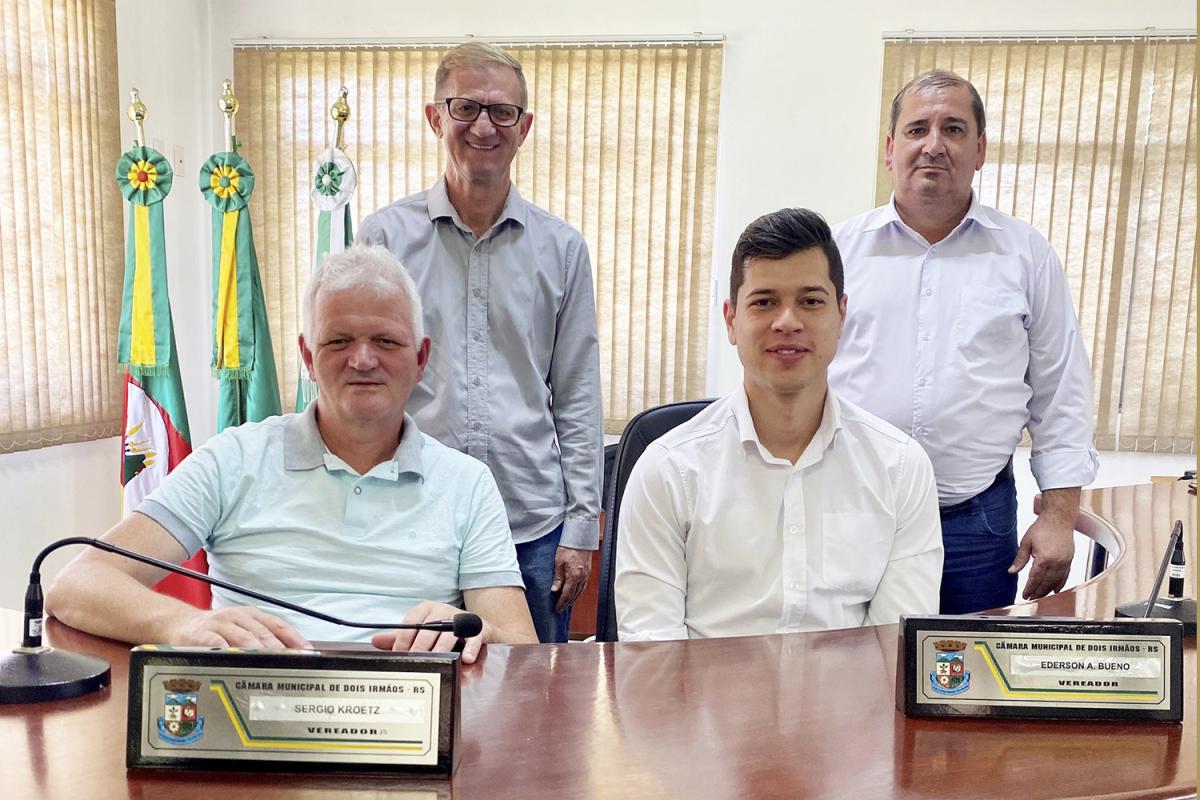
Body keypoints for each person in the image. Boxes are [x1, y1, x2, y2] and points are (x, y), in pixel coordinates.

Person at [46, 245, 537, 663]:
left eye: (385, 341)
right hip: (252, 716)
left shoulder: (468, 483)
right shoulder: (233, 459)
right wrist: (188, 625)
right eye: (339, 340)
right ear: (307, 356)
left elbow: (521, 652)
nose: (363, 360)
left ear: (420, 358)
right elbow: (76, 585)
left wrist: (471, 631)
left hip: (415, 719)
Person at [357, 42, 603, 643]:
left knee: (534, 707)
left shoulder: (562, 250)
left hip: (532, 527)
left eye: (503, 112)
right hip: (412, 516)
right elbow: (358, 382)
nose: (484, 126)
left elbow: (576, 392)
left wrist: (580, 529)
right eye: (467, 107)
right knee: (418, 703)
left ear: (525, 128)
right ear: (435, 117)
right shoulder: (384, 239)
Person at [828, 70, 1099, 614]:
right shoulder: (838, 251)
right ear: (889, 149)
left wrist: (1059, 516)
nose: (933, 145)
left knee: (965, 684)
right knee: (842, 678)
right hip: (847, 513)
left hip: (976, 524)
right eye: (916, 130)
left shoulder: (1024, 255)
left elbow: (1060, 392)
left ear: (979, 149)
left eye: (952, 129)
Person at [615, 208, 942, 641]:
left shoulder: (900, 467)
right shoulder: (668, 470)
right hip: (704, 706)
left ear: (841, 315)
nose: (787, 321)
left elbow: (894, 649)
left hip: (848, 706)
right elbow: (652, 655)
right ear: (731, 320)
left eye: (810, 301)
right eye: (764, 302)